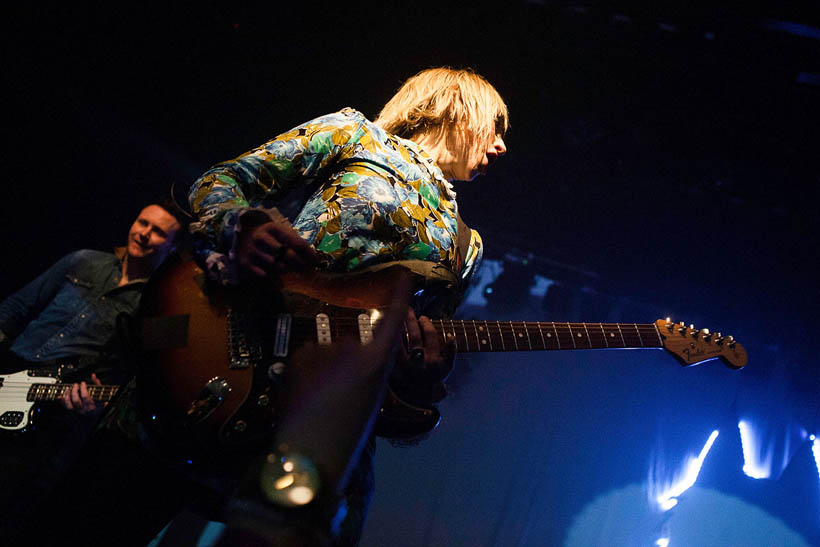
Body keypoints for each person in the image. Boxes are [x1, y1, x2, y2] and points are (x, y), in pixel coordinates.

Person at [187, 66, 509, 544]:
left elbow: (409, 364)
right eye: (496, 128)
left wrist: (423, 375)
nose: (501, 147)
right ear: (457, 109)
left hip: (337, 431)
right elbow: (218, 183)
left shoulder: (469, 245)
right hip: (234, 363)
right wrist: (245, 225)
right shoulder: (354, 133)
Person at [0, 200, 184, 544]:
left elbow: (149, 383)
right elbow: (14, 309)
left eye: (159, 232)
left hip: (49, 427)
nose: (144, 234)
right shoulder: (83, 260)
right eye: (142, 222)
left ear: (173, 247)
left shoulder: (164, 310)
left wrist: (98, 407)